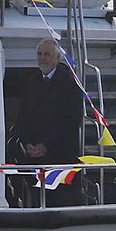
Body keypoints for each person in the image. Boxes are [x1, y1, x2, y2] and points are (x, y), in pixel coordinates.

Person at [12, 38, 86, 206]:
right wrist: (27, 143)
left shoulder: (70, 83)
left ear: (57, 58)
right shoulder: (33, 82)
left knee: (63, 202)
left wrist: (46, 146)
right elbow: (23, 118)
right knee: (38, 199)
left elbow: (71, 121)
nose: (42, 58)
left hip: (61, 158)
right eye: (39, 54)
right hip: (35, 159)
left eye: (47, 54)